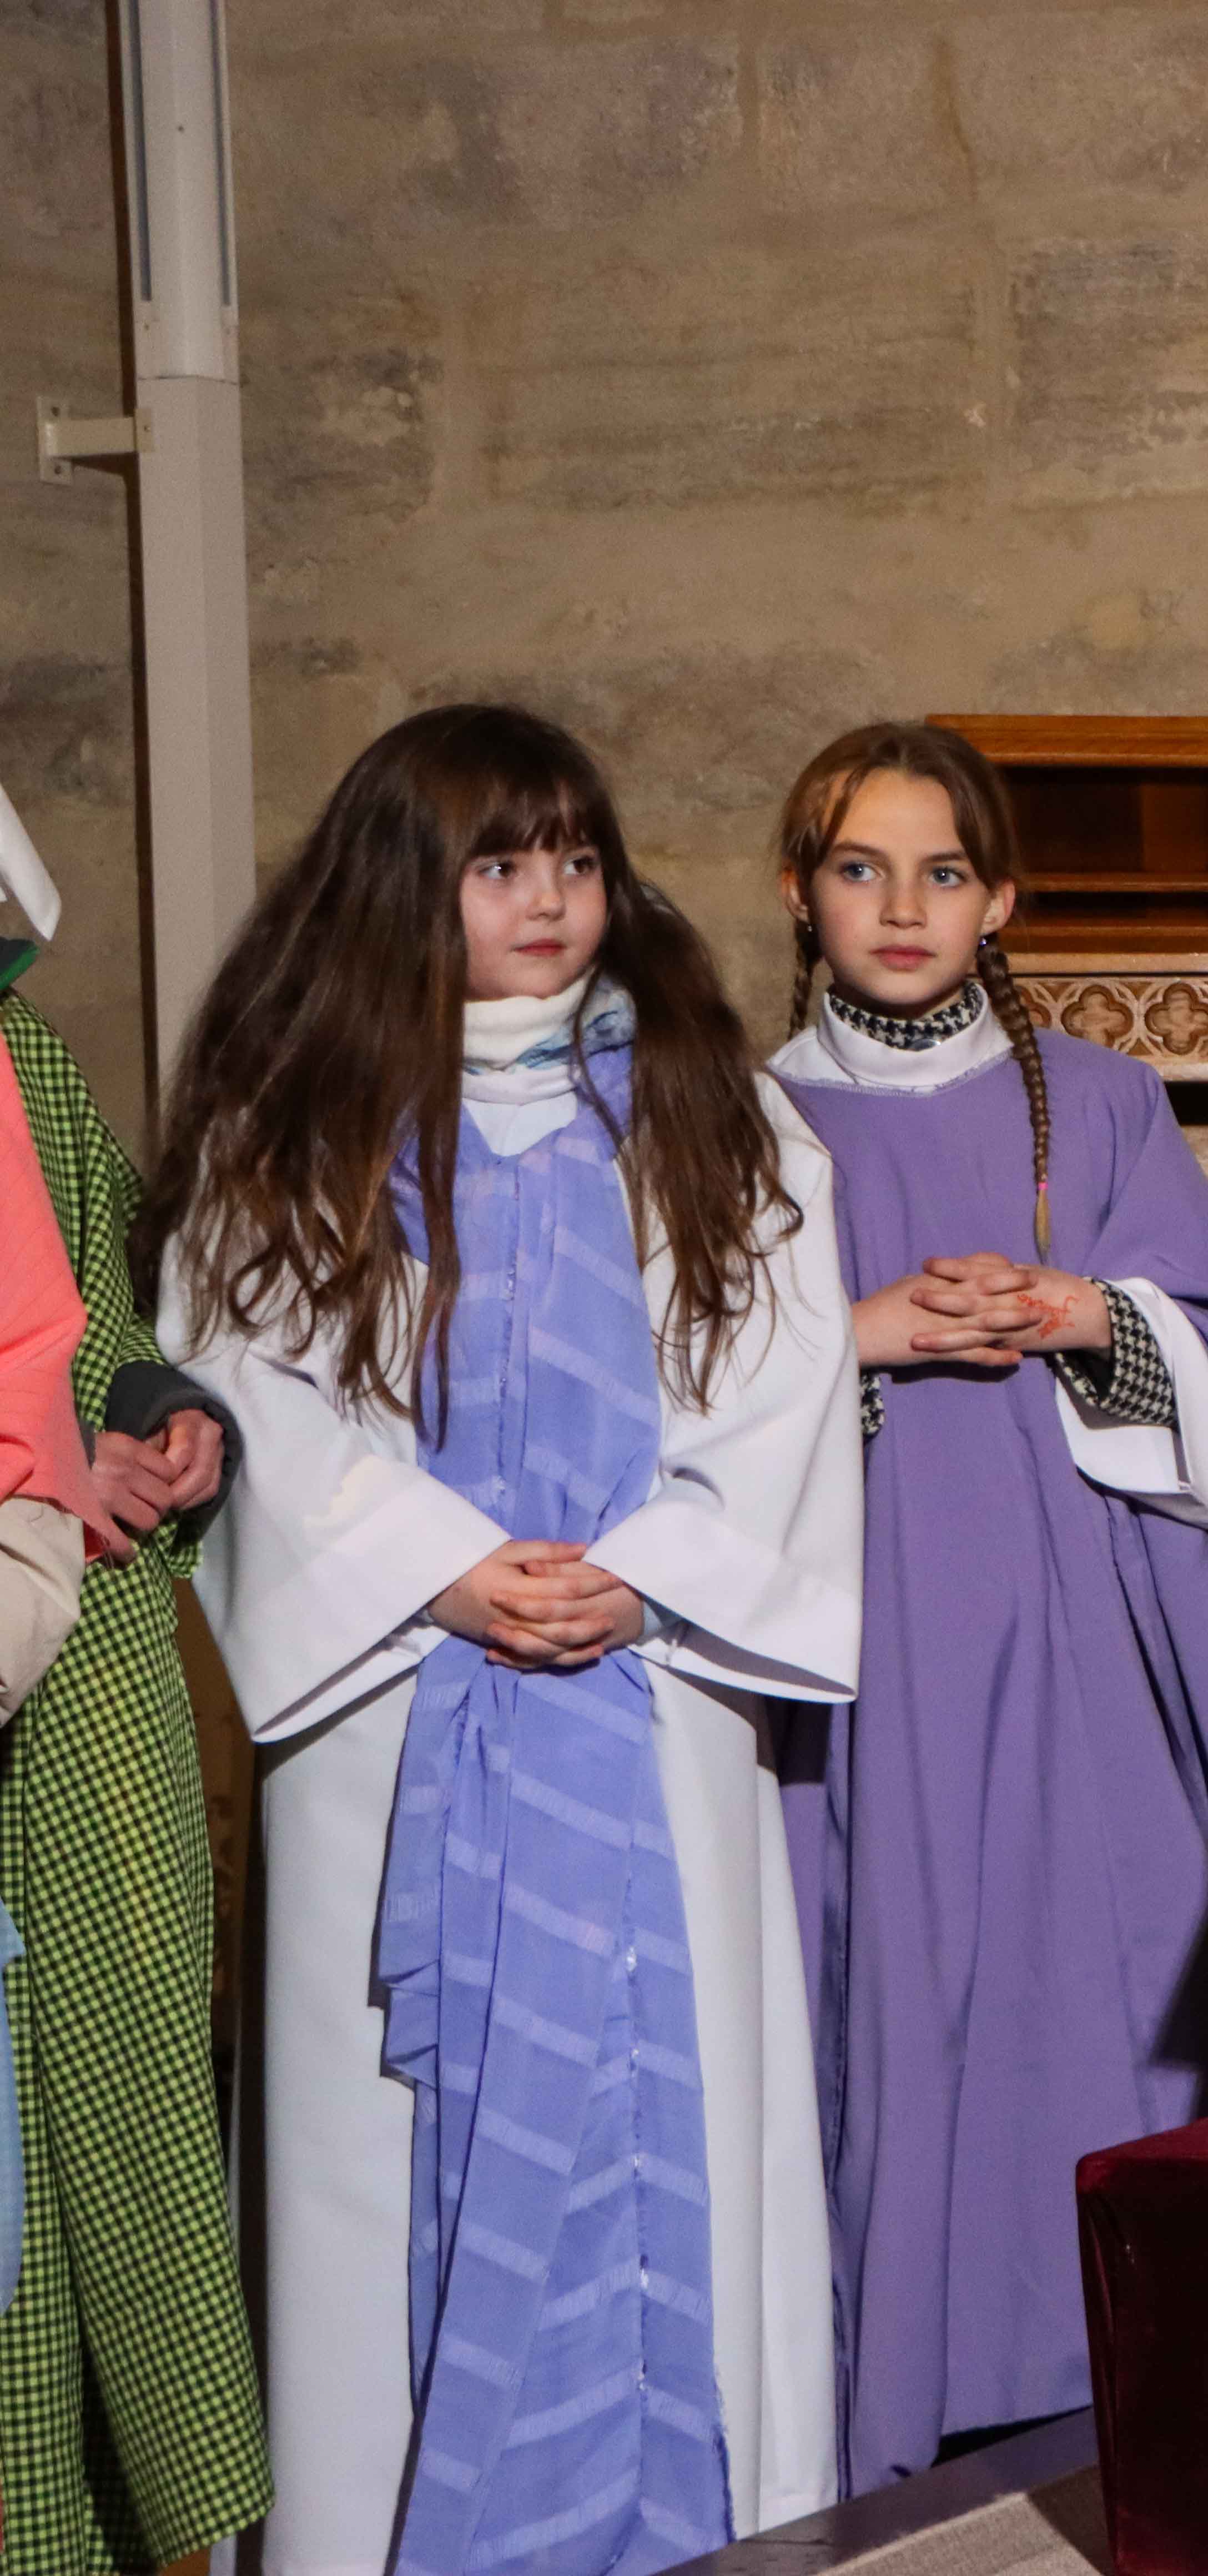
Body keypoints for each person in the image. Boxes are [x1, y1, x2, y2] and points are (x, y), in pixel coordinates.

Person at [152, 707, 861, 2575]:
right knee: (384, 2156)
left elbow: (781, 1387)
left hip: (651, 1692)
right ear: (406, 885)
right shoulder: (291, 1126)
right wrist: (447, 1567)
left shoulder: (716, 1110)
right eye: (497, 864)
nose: (548, 899)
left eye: (574, 859)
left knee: (670, 2147)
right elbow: (253, 1394)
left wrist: (652, 1572)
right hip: (399, 1704)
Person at [767, 721, 1208, 2491]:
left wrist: (1089, 1314)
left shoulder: (1101, 1098)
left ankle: (1139, 2348)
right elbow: (675, 1378)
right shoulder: (746, 1118)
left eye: (942, 873)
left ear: (1002, 899)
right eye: (861, 870)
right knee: (899, 1975)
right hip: (867, 1632)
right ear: (799, 892)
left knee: (1109, 1955)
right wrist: (856, 1338)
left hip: (1079, 1624)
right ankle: (914, 2374)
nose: (901, 907)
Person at [0, 784, 271, 2572]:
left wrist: (167, 1423)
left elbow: (101, 1317)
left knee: (109, 2139)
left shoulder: (26, 1057)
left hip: (75, 1657)